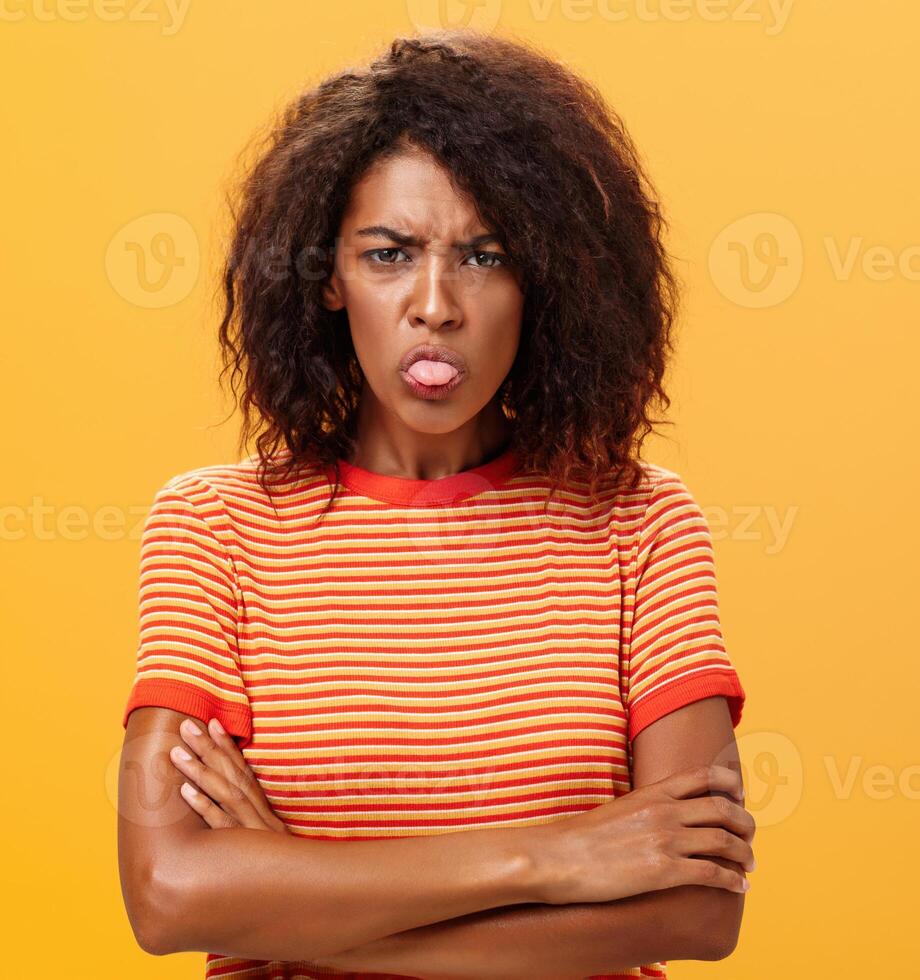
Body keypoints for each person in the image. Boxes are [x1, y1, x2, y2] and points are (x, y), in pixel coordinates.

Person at [113, 30, 755, 979]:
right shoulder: (216, 529)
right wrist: (557, 857)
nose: (435, 303)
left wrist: (291, 897)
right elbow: (167, 892)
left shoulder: (638, 520)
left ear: (547, 278)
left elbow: (697, 910)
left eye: (486, 255)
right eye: (388, 254)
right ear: (327, 277)